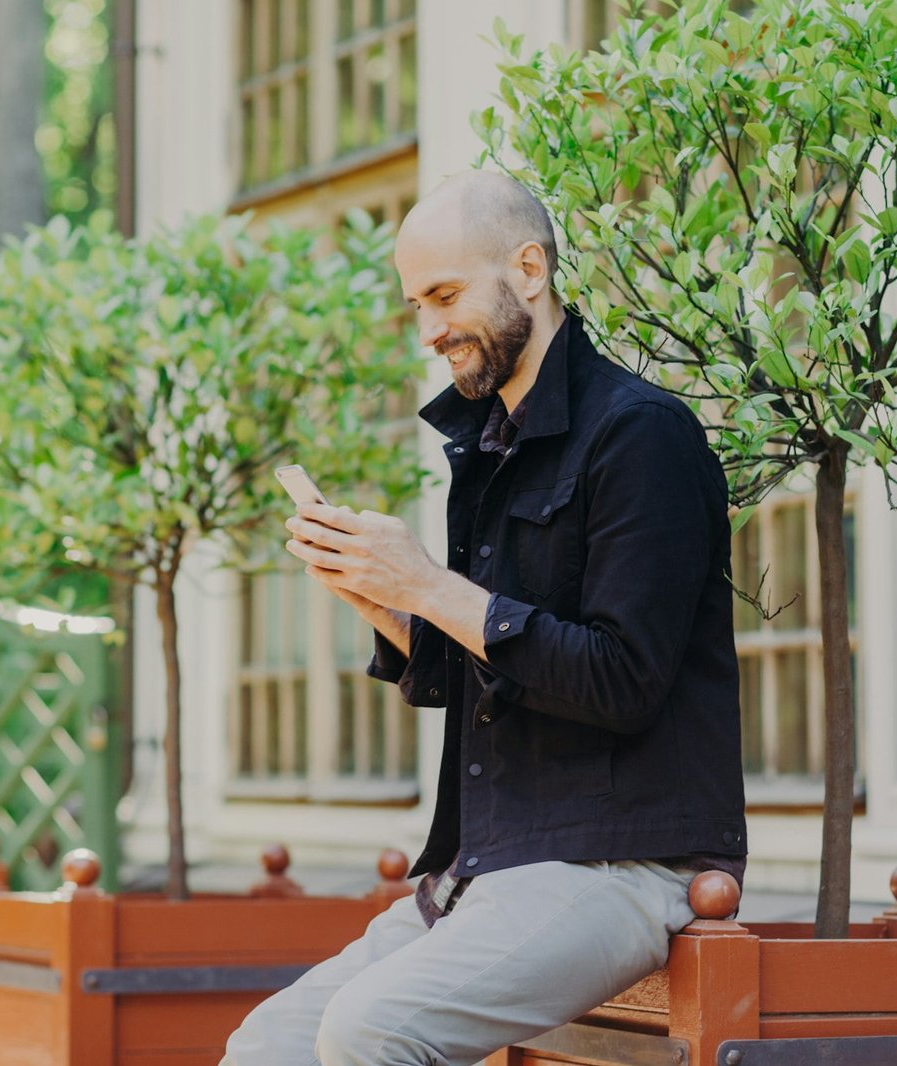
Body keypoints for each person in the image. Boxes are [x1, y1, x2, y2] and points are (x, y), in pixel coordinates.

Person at [220, 170, 747, 1066]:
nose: (428, 331)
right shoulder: (489, 444)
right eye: (416, 305)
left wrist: (427, 584)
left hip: (620, 868)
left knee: (372, 1029)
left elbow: (622, 680)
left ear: (530, 270)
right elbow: (491, 658)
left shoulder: (644, 434)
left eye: (445, 295)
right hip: (490, 866)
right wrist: (382, 599)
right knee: (267, 1044)